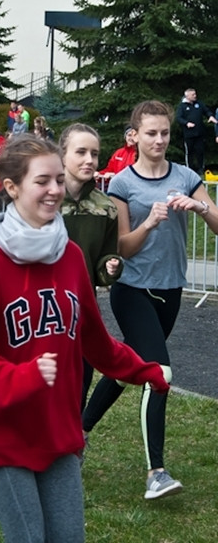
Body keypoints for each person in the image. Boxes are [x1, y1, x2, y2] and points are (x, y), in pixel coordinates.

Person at [0, 134, 169, 543]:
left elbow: (95, 340)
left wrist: (146, 372)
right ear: (12, 187)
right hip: (0, 432)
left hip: (57, 428)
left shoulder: (70, 256)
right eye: (42, 181)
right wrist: (27, 376)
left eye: (58, 179)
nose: (54, 190)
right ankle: (1, 490)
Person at [82, 100, 218, 500]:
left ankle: (78, 434)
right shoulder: (122, 183)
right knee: (160, 373)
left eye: (165, 133)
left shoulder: (187, 176)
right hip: (133, 290)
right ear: (134, 136)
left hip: (171, 288)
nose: (159, 140)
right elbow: (122, 247)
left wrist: (200, 206)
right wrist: (151, 221)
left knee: (128, 369)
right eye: (151, 133)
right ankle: (156, 471)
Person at [59, 123, 123, 410]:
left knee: (77, 393)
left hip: (83, 313)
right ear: (62, 154)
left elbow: (104, 260)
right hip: (40, 311)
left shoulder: (106, 207)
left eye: (95, 154)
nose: (89, 160)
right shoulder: (41, 199)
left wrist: (110, 267)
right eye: (81, 152)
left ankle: (71, 452)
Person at [175, 87, 217, 175]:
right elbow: (179, 118)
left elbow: (206, 111)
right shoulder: (182, 106)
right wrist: (186, 123)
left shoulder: (199, 104)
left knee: (200, 151)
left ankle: (201, 169)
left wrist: (210, 116)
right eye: (193, 94)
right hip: (188, 134)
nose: (195, 96)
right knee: (189, 152)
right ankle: (189, 169)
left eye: (195, 94)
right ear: (187, 96)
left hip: (200, 133)